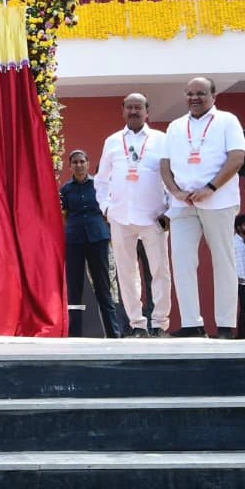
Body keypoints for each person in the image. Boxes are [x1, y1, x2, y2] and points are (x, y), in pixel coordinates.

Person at [160, 77, 245, 338]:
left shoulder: (227, 121)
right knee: (183, 260)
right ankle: (191, 324)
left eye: (200, 93)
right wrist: (175, 191)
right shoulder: (176, 126)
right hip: (183, 203)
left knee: (223, 260)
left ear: (213, 95)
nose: (194, 98)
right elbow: (165, 164)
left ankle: (224, 325)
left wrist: (210, 187)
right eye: (189, 94)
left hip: (217, 201)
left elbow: (237, 158)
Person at [94, 93, 172, 338]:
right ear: (123, 111)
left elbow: (172, 177)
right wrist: (106, 208)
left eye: (138, 107)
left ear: (147, 111)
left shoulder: (161, 139)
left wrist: (170, 210)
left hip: (154, 216)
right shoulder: (113, 141)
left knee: (160, 270)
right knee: (126, 272)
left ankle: (159, 323)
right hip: (120, 216)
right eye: (129, 107)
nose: (134, 111)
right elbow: (101, 179)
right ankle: (137, 324)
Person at [60, 149, 121, 338]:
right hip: (74, 241)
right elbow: (64, 215)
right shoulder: (65, 190)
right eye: (75, 162)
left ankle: (113, 333)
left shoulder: (98, 186)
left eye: (82, 162)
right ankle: (75, 334)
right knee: (74, 287)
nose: (79, 165)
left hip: (97, 238)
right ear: (70, 166)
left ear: (88, 163)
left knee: (103, 286)